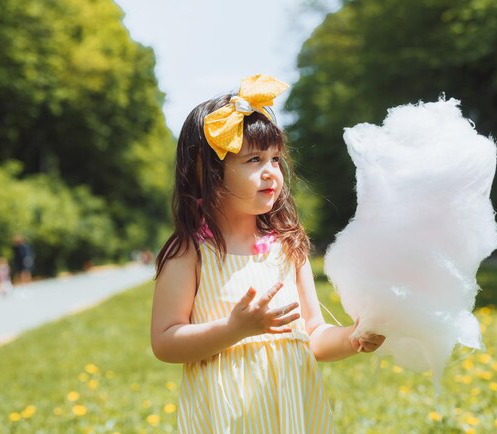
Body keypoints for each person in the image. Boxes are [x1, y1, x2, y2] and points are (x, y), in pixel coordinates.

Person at [151, 74, 385, 433]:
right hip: (227, 417)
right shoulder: (192, 252)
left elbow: (314, 333)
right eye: (254, 160)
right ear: (207, 172)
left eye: (275, 159)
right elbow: (165, 341)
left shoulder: (288, 245)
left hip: (291, 413)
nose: (270, 173)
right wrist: (233, 329)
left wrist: (352, 338)